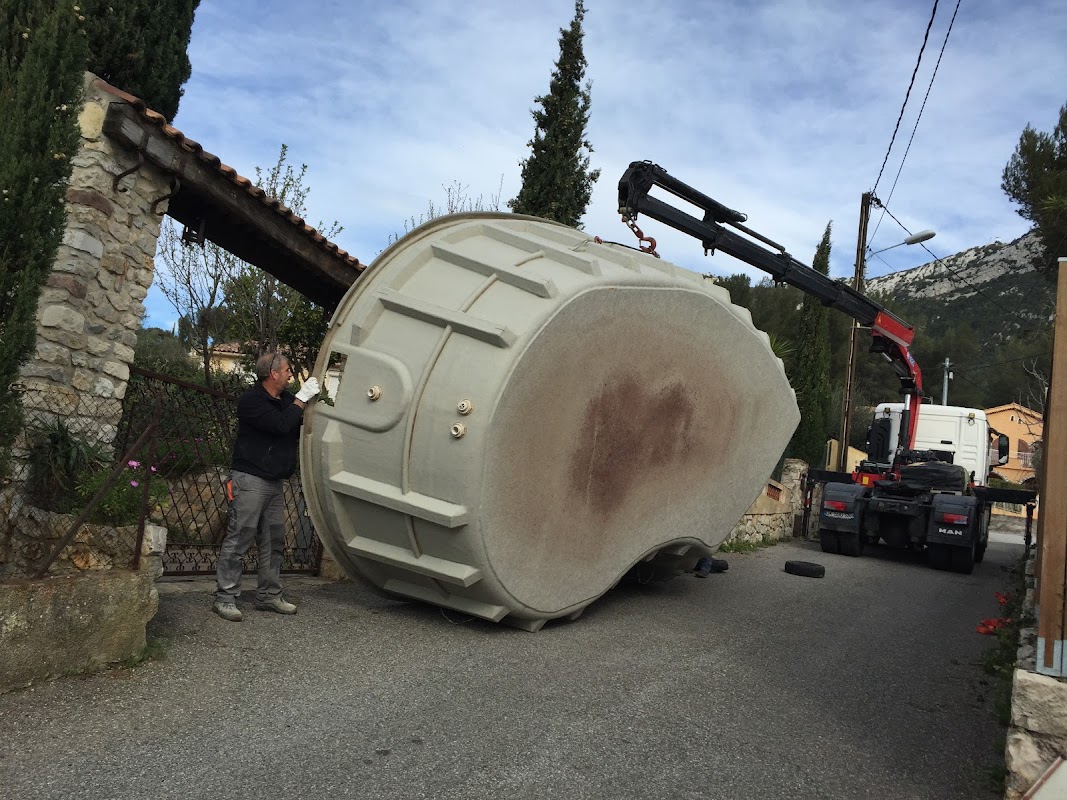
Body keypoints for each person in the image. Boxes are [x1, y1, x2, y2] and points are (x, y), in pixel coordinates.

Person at [213, 352, 320, 622]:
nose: (290, 374)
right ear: (273, 373)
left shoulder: (285, 400)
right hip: (250, 479)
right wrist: (301, 399)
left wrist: (311, 401)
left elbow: (299, 421)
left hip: (274, 481)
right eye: (287, 370)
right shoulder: (251, 401)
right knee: (240, 538)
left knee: (273, 541)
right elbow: (281, 425)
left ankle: (269, 596)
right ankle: (225, 598)